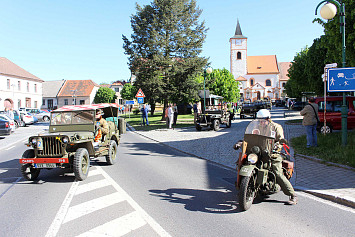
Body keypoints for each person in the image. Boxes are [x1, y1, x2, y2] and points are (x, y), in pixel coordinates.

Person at [257, 109, 298, 205]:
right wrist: (242, 142)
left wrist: (278, 145)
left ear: (268, 119)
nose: (261, 122)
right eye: (259, 120)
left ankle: (293, 195)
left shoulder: (276, 127)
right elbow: (252, 136)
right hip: (259, 153)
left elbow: (280, 139)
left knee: (277, 172)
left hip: (272, 154)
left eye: (263, 120)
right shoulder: (257, 127)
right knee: (244, 161)